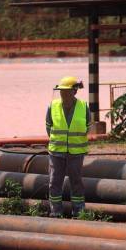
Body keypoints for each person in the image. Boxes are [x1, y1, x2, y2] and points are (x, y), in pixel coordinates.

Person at [46, 76, 92, 217]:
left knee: (76, 182)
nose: (63, 94)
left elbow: (88, 127)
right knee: (54, 182)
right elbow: (48, 127)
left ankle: (79, 212)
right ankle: (56, 212)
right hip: (56, 152)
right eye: (61, 92)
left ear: (74, 92)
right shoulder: (52, 106)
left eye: (66, 92)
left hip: (76, 152)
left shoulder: (83, 107)